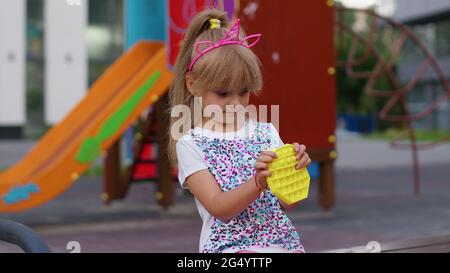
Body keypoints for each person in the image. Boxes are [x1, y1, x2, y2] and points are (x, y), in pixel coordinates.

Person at [168, 8, 311, 253]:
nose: (236, 102)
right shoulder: (191, 143)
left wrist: (295, 173)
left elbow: (288, 204)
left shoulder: (266, 132)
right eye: (223, 93)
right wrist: (257, 182)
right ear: (192, 84)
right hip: (229, 248)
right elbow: (219, 207)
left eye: (243, 91)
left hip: (282, 245)